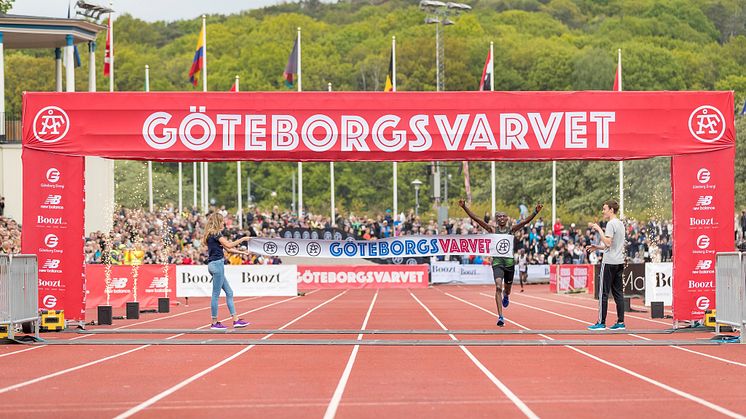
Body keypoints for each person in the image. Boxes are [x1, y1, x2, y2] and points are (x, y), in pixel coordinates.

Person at [459, 199, 543, 326]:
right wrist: (464, 207)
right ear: (497, 219)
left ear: (507, 219)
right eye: (500, 216)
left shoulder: (512, 229)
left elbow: (525, 222)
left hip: (509, 264)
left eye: (504, 216)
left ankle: (506, 295)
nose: (502, 218)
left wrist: (535, 212)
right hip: (497, 262)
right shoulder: (492, 230)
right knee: (498, 286)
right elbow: (476, 219)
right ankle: (500, 316)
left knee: (507, 290)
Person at [204, 212, 251, 330]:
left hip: (214, 264)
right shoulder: (216, 234)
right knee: (216, 294)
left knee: (229, 292)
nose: (223, 223)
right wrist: (243, 239)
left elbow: (228, 249)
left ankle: (235, 320)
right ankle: (214, 322)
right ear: (217, 222)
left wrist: (242, 252)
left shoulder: (211, 235)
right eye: (222, 221)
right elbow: (229, 245)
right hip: (217, 265)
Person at [585, 199, 626, 331]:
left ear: (611, 210)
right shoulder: (621, 224)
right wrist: (597, 247)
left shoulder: (610, 224)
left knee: (603, 292)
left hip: (609, 262)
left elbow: (608, 243)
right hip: (619, 261)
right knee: (618, 293)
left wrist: (598, 230)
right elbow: (612, 245)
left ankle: (601, 322)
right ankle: (620, 322)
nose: (603, 211)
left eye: (604, 209)